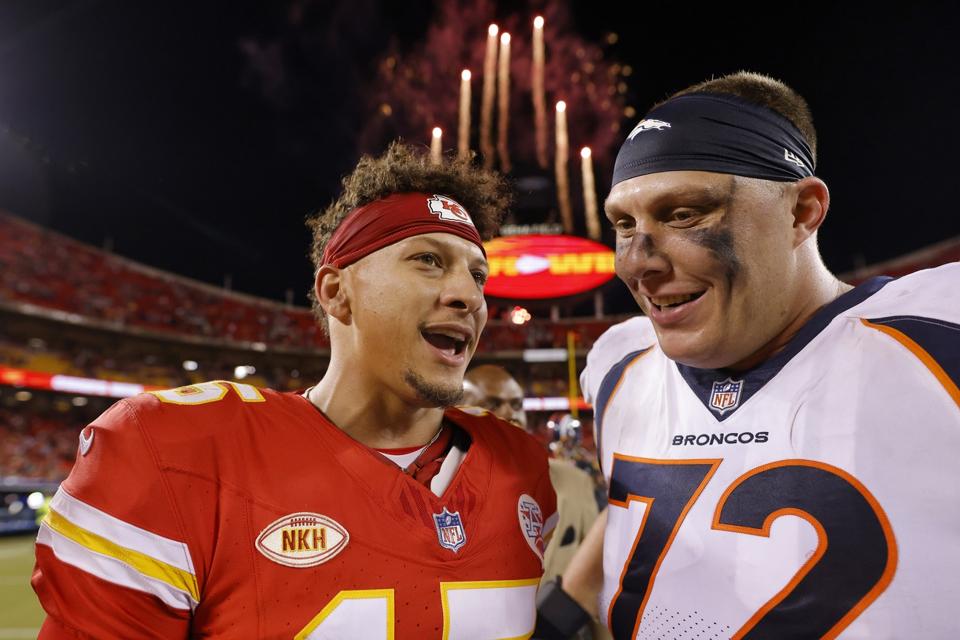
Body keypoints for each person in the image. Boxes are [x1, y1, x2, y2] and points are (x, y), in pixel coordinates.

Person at [32, 143, 557, 638]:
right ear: (337, 292)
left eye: (478, 275)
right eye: (428, 260)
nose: (468, 295)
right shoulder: (172, 454)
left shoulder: (521, 467)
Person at [536, 71, 960, 639]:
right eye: (623, 223)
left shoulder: (936, 332)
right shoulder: (621, 364)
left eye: (685, 213)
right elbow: (638, 510)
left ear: (801, 211)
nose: (637, 262)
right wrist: (567, 608)